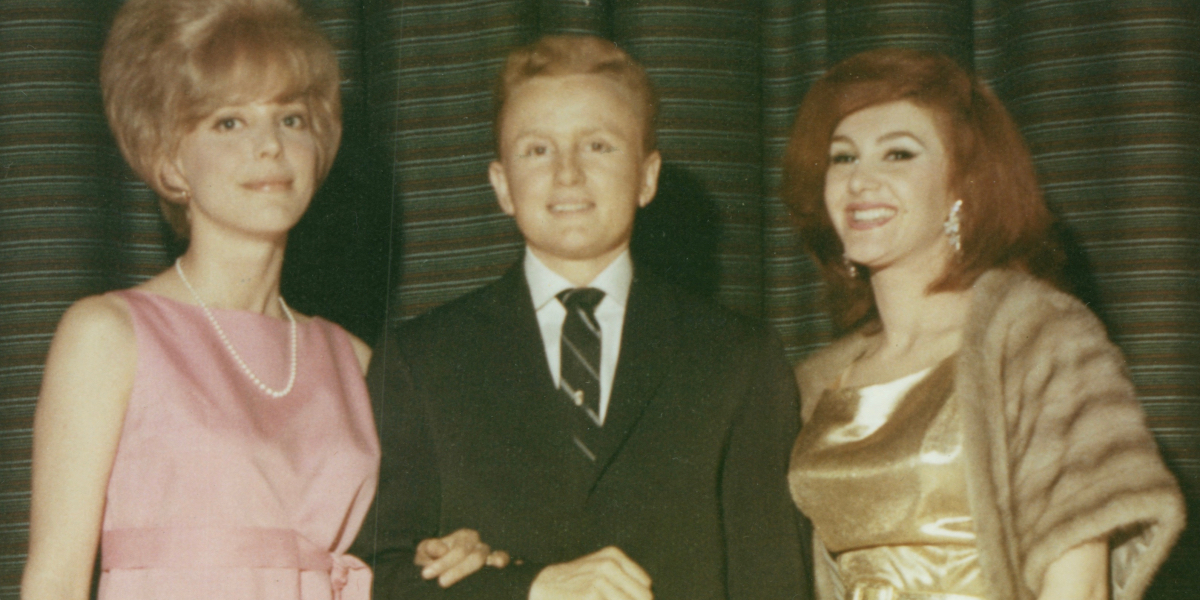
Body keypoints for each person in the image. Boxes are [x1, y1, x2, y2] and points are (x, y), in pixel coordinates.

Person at [20, 1, 500, 598]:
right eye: (229, 122)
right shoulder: (109, 334)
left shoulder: (354, 360)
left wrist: (450, 551)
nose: (269, 145)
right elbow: (55, 580)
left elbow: (397, 554)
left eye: (291, 118)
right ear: (170, 160)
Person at [352, 34, 811, 600]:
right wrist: (531, 587)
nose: (567, 173)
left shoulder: (739, 358)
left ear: (647, 177)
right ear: (501, 186)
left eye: (598, 146)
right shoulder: (420, 358)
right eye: (537, 150)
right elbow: (376, 575)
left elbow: (774, 585)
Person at [782, 47, 1185, 600]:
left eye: (898, 154)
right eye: (843, 157)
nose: (860, 180)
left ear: (961, 187)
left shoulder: (1040, 339)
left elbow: (1082, 587)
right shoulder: (813, 384)